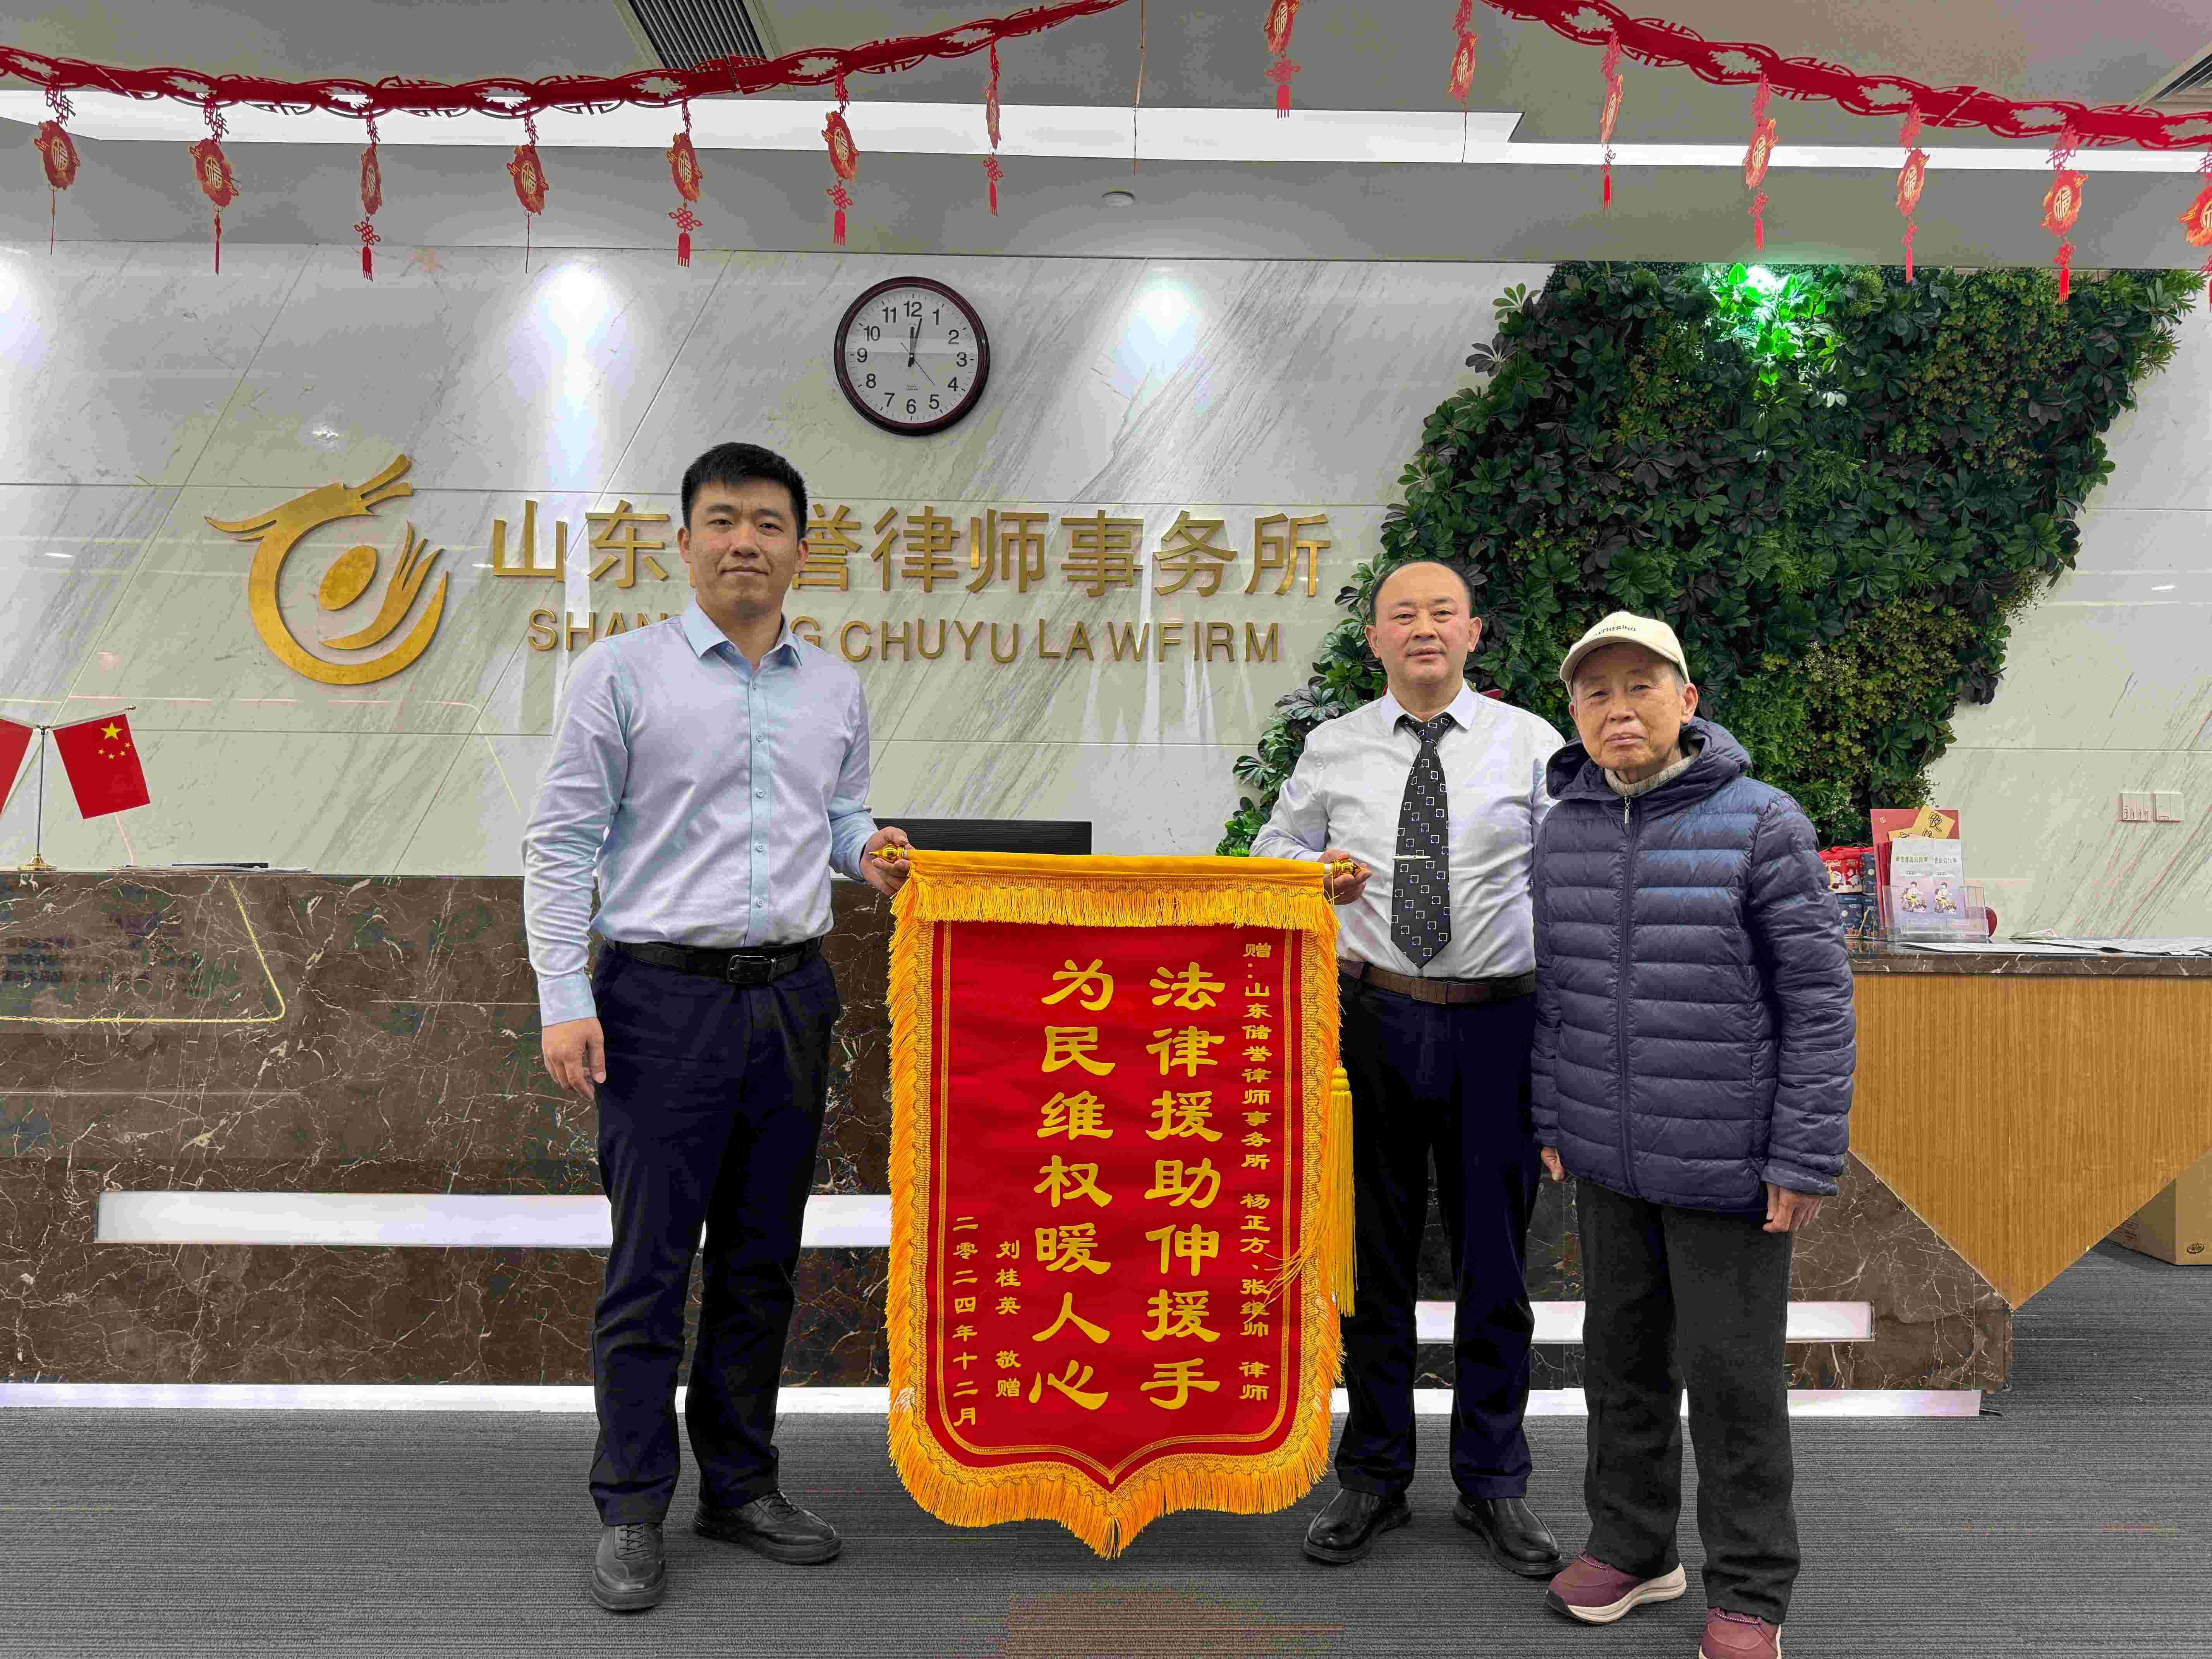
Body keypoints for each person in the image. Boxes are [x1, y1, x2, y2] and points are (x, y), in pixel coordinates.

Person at [523, 441, 912, 1614]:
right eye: (725, 520)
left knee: (761, 1262)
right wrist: (564, 997)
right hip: (658, 1000)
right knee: (651, 1265)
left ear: (802, 547)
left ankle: (740, 1484)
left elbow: (839, 818)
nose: (747, 541)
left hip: (792, 997)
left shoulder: (833, 685)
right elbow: (561, 843)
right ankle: (632, 1503)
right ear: (686, 540)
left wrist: (872, 852)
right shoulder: (620, 673)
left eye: (769, 523)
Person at [1530, 611, 1856, 1659]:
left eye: (1641, 687)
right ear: (1575, 714)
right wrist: (1554, 1115)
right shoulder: (1564, 829)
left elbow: (1818, 1001)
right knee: (1620, 1362)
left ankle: (1751, 1589)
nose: (1619, 710)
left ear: (1688, 700)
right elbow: (1559, 996)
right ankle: (1632, 1546)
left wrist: (1803, 1154)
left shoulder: (1763, 823)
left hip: (1729, 1161)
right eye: (1596, 693)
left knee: (1731, 1381)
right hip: (1609, 1154)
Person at [1252, 559, 1568, 1577]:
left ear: (1473, 632)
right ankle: (1375, 1473)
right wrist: (1313, 874)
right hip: (1373, 1019)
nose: (1423, 628)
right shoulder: (1334, 747)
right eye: (1403, 614)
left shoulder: (1533, 744)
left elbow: (1573, 877)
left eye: (1442, 612)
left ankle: (1494, 1479)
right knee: (1373, 1261)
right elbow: (1268, 850)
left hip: (1501, 1022)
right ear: (1376, 639)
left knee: (1496, 1264)